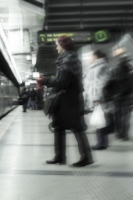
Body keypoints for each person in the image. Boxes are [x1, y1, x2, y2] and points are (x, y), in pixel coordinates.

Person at [40, 35, 94, 167]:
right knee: (59, 127)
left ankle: (86, 158)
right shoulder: (68, 58)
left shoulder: (68, 60)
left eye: (57, 45)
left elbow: (62, 82)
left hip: (69, 100)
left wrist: (45, 81)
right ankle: (59, 157)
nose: (56, 47)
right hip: (67, 99)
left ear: (63, 46)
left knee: (76, 128)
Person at [83, 49, 112, 150]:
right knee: (99, 120)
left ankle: (101, 143)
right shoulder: (94, 67)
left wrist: (97, 97)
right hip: (95, 97)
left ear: (96, 56)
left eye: (92, 56)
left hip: (99, 98)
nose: (91, 58)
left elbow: (101, 83)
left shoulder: (101, 66)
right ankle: (102, 142)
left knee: (100, 120)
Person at [109, 47, 133, 140]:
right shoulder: (129, 70)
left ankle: (118, 133)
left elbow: (110, 83)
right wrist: (132, 91)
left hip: (116, 96)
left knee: (117, 115)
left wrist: (111, 94)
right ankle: (125, 134)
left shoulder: (114, 70)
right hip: (127, 95)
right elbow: (132, 82)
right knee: (126, 115)